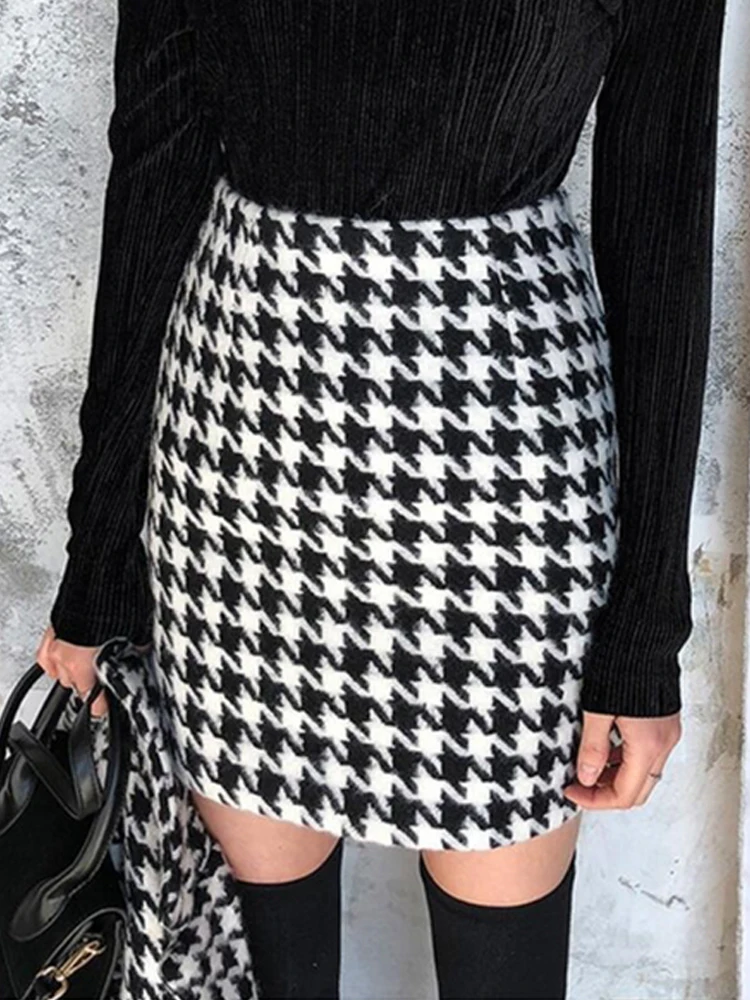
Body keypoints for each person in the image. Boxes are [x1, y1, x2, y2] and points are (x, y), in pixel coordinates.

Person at [35, 0, 727, 997]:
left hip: (508, 484)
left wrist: (645, 632)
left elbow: (660, 224)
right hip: (243, 451)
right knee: (255, 963)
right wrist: (99, 564)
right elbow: (157, 168)